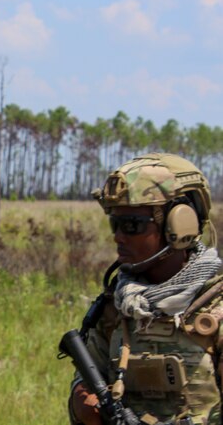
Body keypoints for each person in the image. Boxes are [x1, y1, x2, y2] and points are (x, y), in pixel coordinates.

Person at [68, 153, 223, 425]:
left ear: (179, 224)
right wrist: (84, 402)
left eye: (131, 226)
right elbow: (85, 380)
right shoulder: (117, 306)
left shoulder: (215, 305)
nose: (118, 237)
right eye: (114, 224)